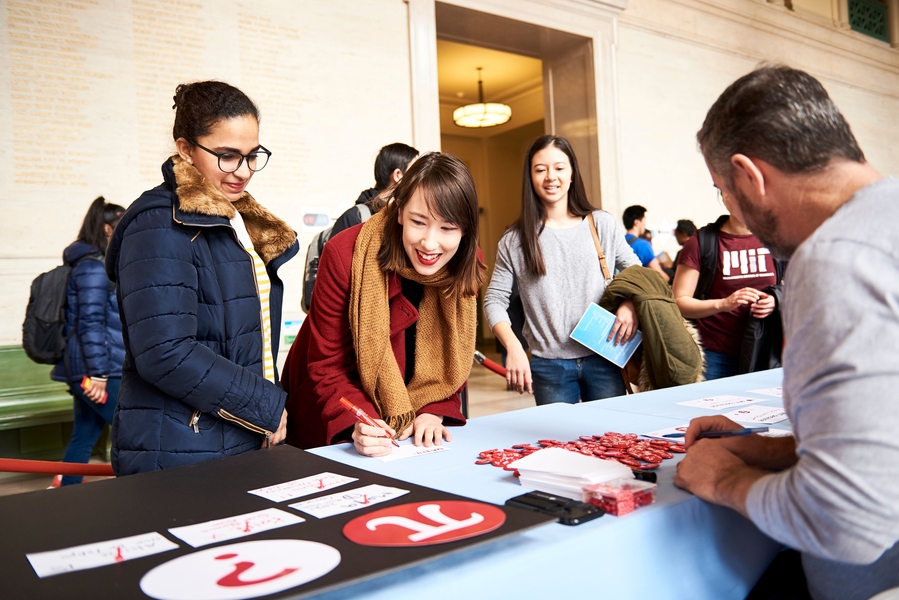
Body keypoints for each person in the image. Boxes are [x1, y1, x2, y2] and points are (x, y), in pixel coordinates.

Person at [673, 65, 899, 600]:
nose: (730, 206)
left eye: (724, 190)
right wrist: (766, 451)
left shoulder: (837, 261)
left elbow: (846, 522)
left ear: (750, 176)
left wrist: (724, 482)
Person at [105, 81, 299, 475]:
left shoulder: (234, 218)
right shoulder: (160, 222)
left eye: (252, 155)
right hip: (180, 444)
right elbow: (164, 351)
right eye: (227, 156)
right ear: (185, 148)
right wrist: (265, 404)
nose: (243, 171)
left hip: (232, 431)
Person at [282, 152, 484, 456]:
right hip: (333, 411)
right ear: (400, 211)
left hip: (413, 433)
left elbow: (454, 354)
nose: (430, 244)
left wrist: (434, 409)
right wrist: (358, 420)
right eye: (419, 222)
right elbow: (328, 364)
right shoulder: (345, 254)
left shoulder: (467, 263)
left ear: (465, 229)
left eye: (448, 228)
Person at [483, 135, 641, 405]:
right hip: (549, 365)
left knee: (610, 438)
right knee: (559, 444)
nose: (550, 177)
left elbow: (636, 272)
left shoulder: (601, 224)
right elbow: (494, 299)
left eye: (559, 168)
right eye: (540, 169)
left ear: (571, 174)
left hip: (604, 354)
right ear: (530, 177)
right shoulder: (515, 239)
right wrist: (513, 346)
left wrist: (629, 305)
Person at [50, 197, 125, 486]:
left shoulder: (93, 264)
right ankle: (144, 497)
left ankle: (67, 495)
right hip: (99, 372)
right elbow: (90, 324)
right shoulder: (93, 268)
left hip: (92, 368)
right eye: (120, 226)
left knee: (83, 437)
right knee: (131, 433)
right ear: (108, 230)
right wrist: (98, 374)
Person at [671, 206, 780, 380]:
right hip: (716, 354)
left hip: (766, 350)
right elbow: (679, 301)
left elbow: (800, 290)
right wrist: (723, 304)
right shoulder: (702, 241)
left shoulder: (778, 237)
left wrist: (776, 300)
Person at [329, 142, 419, 241]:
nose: (420, 178)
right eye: (415, 172)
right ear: (398, 175)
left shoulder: (406, 215)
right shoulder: (354, 218)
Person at [623, 205, 670, 283]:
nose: (644, 226)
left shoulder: (620, 242)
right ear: (637, 222)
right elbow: (659, 275)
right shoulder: (642, 245)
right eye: (644, 223)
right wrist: (670, 279)